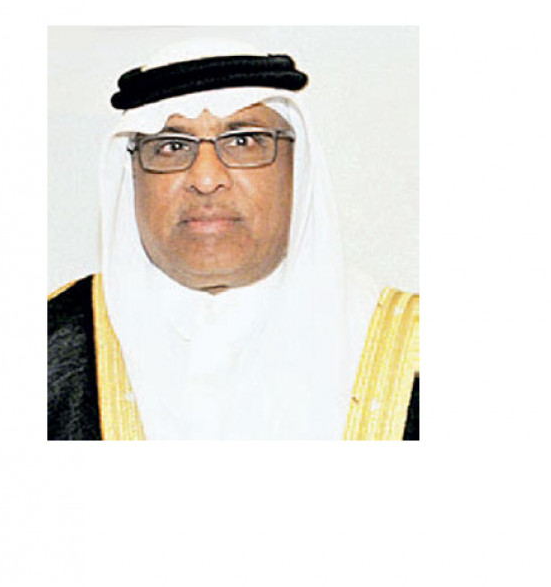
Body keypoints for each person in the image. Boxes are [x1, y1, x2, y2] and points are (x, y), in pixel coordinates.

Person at [47, 40, 418, 440]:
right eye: (172, 146)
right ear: (132, 172)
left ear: (299, 170)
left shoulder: (414, 353)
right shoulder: (52, 343)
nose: (206, 179)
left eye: (243, 141)